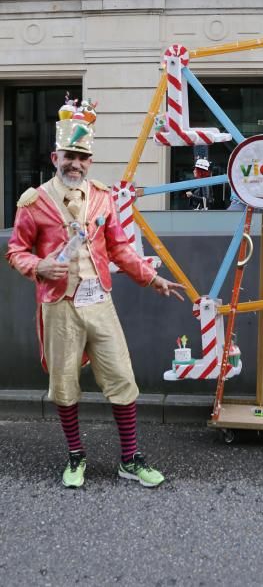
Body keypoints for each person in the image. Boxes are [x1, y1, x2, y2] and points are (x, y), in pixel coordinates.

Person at [6, 99, 186, 489]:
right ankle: (75, 455)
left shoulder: (104, 198)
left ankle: (130, 458)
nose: (77, 164)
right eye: (70, 155)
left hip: (99, 301)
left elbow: (119, 247)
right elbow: (15, 250)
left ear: (90, 161)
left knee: (122, 376)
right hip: (58, 305)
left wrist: (151, 278)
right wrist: (37, 266)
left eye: (83, 157)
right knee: (64, 383)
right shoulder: (34, 202)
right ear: (56, 156)